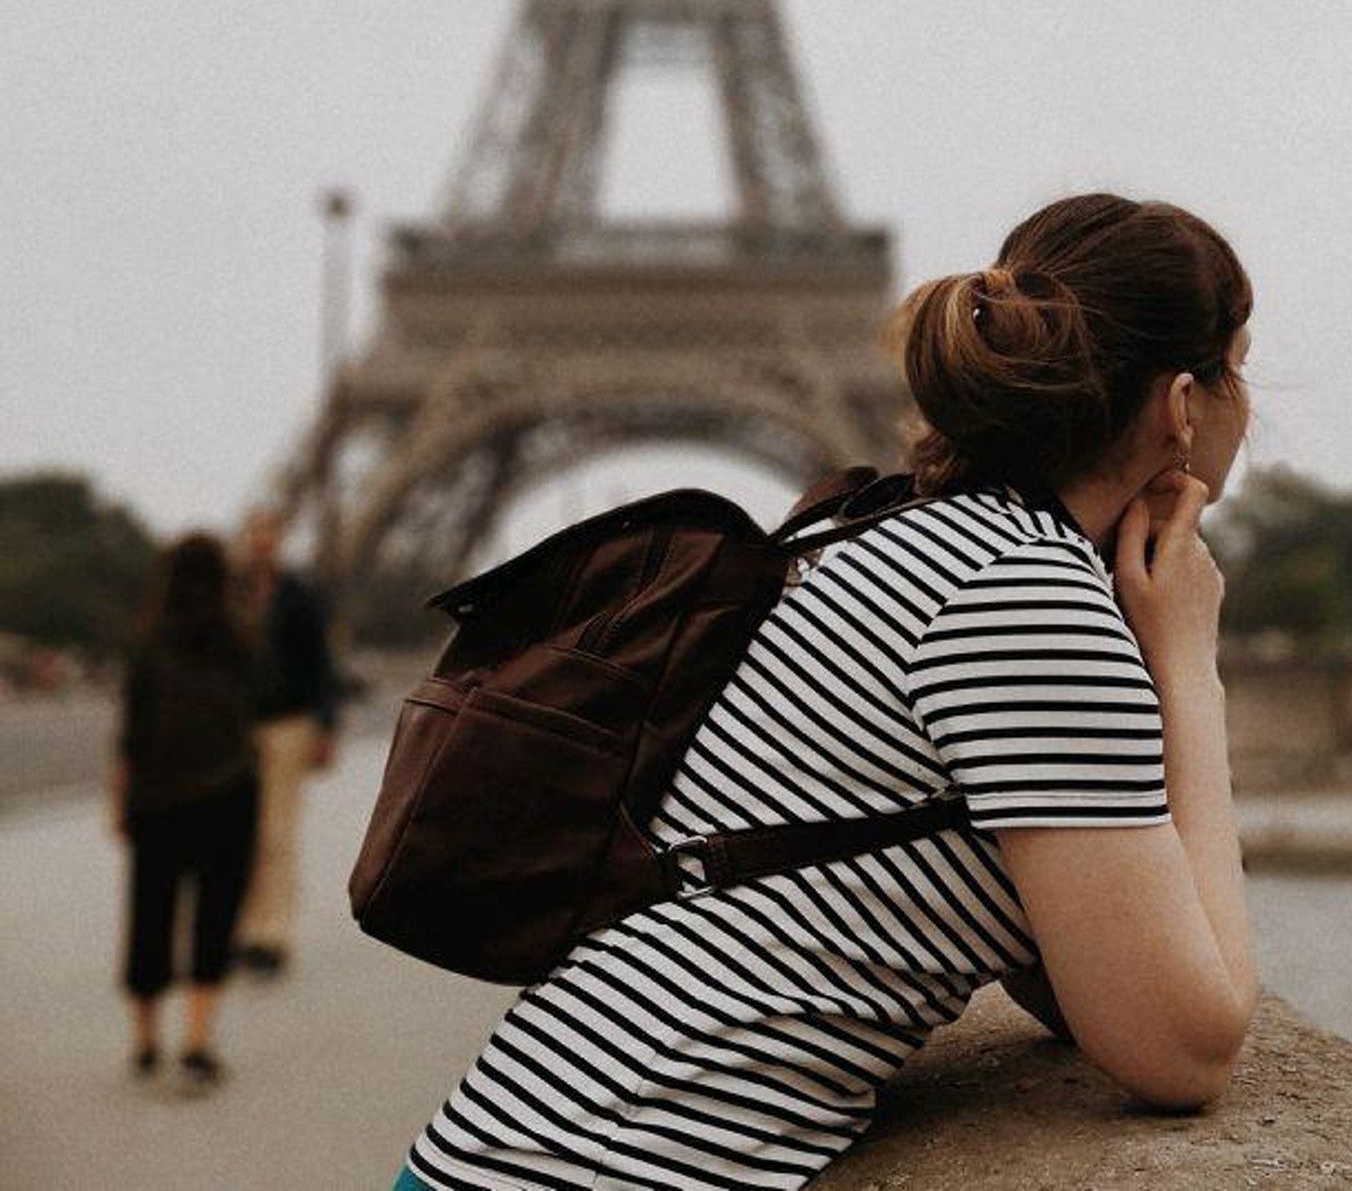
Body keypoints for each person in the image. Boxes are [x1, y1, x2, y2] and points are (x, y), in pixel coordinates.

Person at [395, 191, 1258, 1191]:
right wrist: (1190, 671)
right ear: (1182, 408)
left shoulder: (905, 537)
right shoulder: (1029, 595)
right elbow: (1183, 1048)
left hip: (525, 1145)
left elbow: (1084, 975)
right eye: (1238, 368)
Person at [114, 532, 260, 1092]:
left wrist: (120, 799)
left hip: (157, 797)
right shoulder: (242, 640)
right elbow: (257, 713)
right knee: (214, 919)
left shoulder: (146, 644)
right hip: (228, 795)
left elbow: (131, 735)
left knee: (149, 915)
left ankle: (146, 1041)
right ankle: (196, 1042)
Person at [231, 506, 339, 975]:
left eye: (269, 532)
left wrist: (325, 726)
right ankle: (241, 928)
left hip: (288, 725)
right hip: (236, 728)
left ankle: (270, 934)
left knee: (277, 833)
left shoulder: (300, 595)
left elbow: (321, 665)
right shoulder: (230, 594)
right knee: (238, 834)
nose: (262, 540)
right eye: (255, 531)